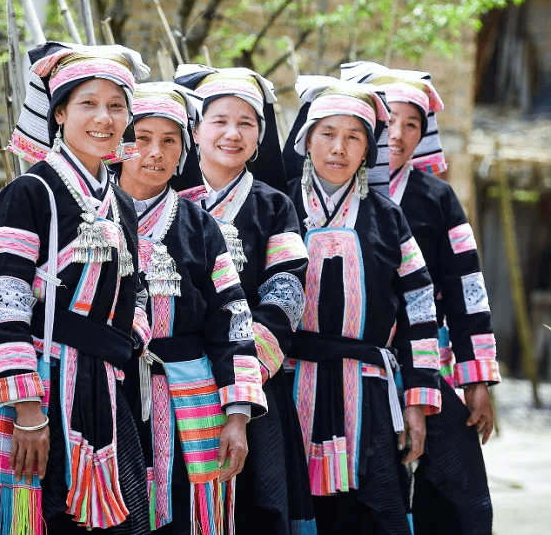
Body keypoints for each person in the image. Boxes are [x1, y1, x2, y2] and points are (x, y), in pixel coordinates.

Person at [0, 43, 153, 534]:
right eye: (87, 104)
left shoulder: (120, 203)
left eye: (116, 105)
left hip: (100, 390)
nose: (103, 118)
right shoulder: (27, 195)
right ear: (58, 113)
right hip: (39, 393)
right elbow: (2, 307)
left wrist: (127, 342)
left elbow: (136, 292)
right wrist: (28, 410)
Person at [342, 61, 499, 535]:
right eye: (390, 120)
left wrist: (476, 380)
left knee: (459, 484)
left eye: (413, 123)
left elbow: (467, 290)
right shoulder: (331, 196)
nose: (399, 133)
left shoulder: (438, 198)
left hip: (427, 364)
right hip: (350, 366)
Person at [281, 77, 444, 535]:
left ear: (367, 150)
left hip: (370, 393)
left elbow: (420, 308)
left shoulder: (388, 218)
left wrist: (417, 402)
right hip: (290, 388)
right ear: (306, 140)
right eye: (327, 134)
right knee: (291, 506)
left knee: (377, 513)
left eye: (353, 137)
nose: (339, 148)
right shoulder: (278, 207)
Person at [115, 82, 268, 535]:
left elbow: (234, 322)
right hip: (111, 393)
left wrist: (237, 416)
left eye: (170, 141)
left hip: (191, 398)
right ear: (121, 142)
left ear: (184, 148)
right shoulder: (92, 218)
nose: (155, 153)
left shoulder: (202, 228)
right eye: (142, 138)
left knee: (185, 517)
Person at [172, 65, 315, 535]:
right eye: (219, 120)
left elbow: (286, 293)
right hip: (174, 384)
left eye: (246, 123)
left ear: (259, 138)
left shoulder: (276, 207)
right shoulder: (166, 198)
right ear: (195, 130)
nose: (232, 133)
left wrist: (239, 378)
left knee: (259, 507)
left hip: (253, 387)